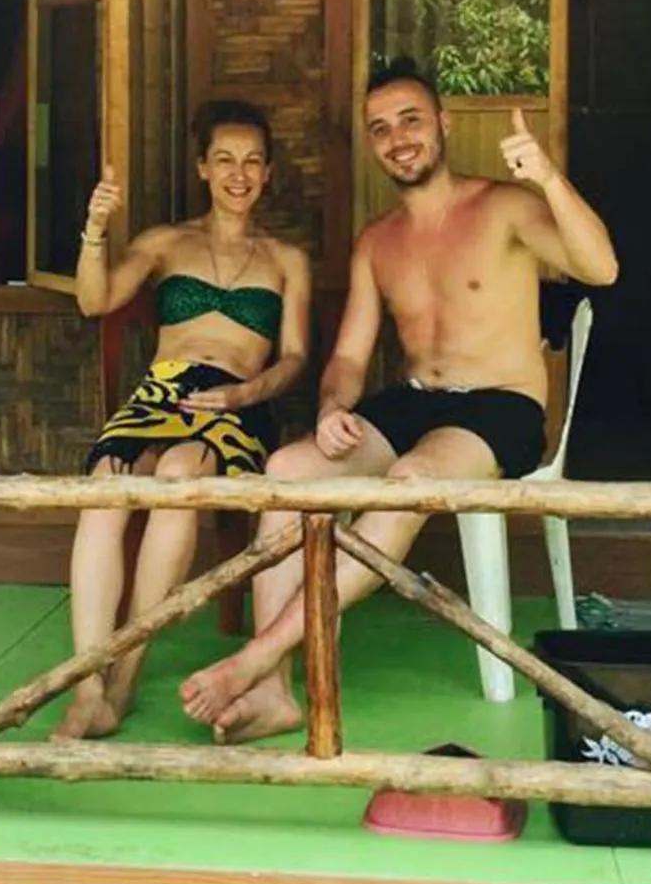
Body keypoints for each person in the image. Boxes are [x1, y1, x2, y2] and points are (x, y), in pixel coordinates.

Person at [180, 57, 618, 742]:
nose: (397, 138)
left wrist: (549, 179)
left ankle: (259, 655)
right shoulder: (378, 242)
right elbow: (350, 357)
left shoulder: (505, 205)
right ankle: (274, 693)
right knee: (285, 474)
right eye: (380, 128)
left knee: (411, 478)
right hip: (414, 401)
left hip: (501, 406)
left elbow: (602, 267)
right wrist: (331, 410)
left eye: (411, 119)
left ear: (442, 123)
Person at [58, 99, 312, 739]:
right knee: (107, 488)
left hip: (236, 401)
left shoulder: (287, 260)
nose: (239, 173)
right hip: (161, 394)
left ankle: (126, 676)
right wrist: (93, 228)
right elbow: (95, 301)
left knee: (177, 478)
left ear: (268, 171)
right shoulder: (165, 242)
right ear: (202, 167)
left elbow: (297, 358)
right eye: (224, 159)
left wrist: (246, 395)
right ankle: (87, 683)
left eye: (253, 161)